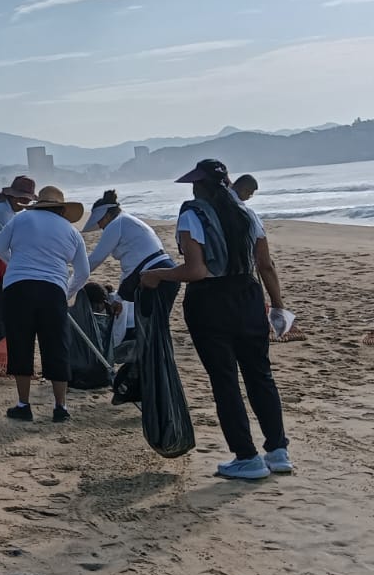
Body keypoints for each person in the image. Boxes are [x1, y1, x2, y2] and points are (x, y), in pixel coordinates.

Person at [141, 159, 290, 481]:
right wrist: (278, 307)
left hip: (210, 301)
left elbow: (196, 270)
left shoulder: (192, 214)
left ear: (198, 185)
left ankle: (247, 457)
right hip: (248, 295)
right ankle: (278, 451)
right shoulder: (247, 214)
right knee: (260, 375)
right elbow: (265, 265)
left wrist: (157, 275)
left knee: (225, 381)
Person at [0, 186, 90, 423]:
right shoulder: (71, 231)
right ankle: (60, 407)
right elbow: (83, 272)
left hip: (18, 288)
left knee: (21, 344)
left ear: (38, 204)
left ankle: (24, 404)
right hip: (53, 290)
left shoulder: (21, 219)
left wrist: (16, 259)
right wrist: (65, 292)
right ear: (62, 209)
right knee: (56, 346)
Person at [82, 189, 175, 301]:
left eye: (99, 221)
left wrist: (73, 279)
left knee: (139, 309)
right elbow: (129, 269)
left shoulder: (115, 224)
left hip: (150, 271)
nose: (99, 225)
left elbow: (95, 259)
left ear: (107, 216)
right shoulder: (128, 220)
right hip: (168, 268)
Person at [0, 176, 35, 344]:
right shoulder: (0, 211)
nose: (25, 205)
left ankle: (6, 349)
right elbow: (2, 247)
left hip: (2, 265)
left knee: (6, 314)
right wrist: (22, 268)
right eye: (24, 200)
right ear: (14, 197)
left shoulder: (10, 212)